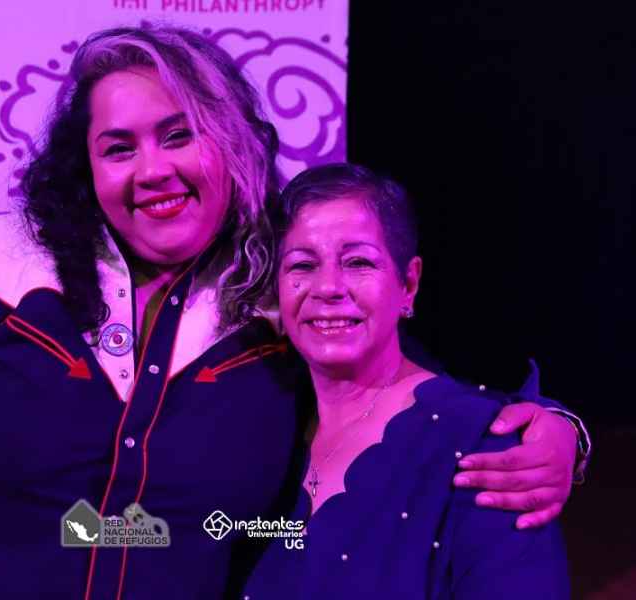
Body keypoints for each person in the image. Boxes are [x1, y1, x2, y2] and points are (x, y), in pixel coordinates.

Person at [0, 24, 586, 600]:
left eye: (179, 135)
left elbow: (406, 384)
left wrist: (558, 431)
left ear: (229, 139)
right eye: (119, 148)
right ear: (87, 167)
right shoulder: (5, 263)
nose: (153, 169)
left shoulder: (283, 282)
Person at [243, 164, 570, 598]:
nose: (328, 288)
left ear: (409, 284)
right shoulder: (263, 429)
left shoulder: (482, 443)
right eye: (302, 265)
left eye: (358, 262)